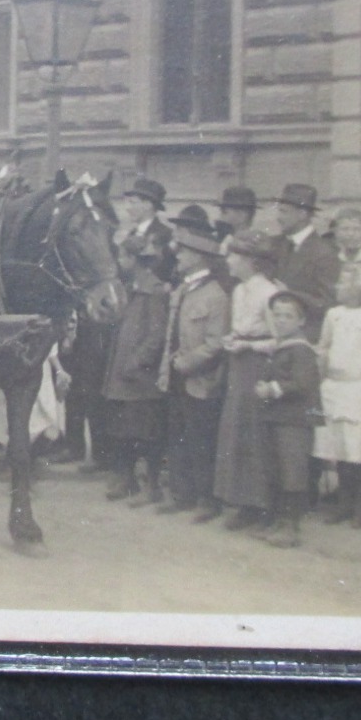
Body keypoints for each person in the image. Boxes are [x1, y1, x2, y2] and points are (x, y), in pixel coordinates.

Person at [158, 218, 230, 520]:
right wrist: (167, 367)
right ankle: (181, 493)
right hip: (176, 375)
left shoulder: (215, 295)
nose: (179, 256)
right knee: (177, 436)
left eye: (184, 252)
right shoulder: (183, 289)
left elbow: (216, 343)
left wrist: (186, 363)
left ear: (199, 257)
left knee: (202, 440)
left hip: (201, 379)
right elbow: (171, 334)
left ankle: (206, 500)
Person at [211, 230, 284, 531]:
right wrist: (232, 339)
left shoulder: (269, 293)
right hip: (239, 367)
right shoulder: (238, 291)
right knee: (237, 432)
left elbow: (280, 341)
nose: (228, 261)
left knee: (257, 434)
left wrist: (249, 346)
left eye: (233, 256)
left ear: (250, 261)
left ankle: (265, 505)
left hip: (260, 368)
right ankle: (243, 503)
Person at [99, 233, 171, 506]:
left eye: (123, 256)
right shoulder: (129, 287)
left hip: (138, 376)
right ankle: (126, 480)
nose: (119, 261)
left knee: (144, 433)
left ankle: (151, 486)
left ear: (134, 260)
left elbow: (156, 334)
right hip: (122, 373)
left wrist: (136, 361)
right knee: (122, 430)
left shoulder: (152, 291)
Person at [313, 263, 361, 527]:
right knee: (340, 446)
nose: (339, 288)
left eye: (346, 283)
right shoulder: (333, 315)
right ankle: (343, 502)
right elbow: (324, 345)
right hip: (336, 386)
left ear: (360, 289)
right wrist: (322, 364)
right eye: (340, 283)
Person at [251, 291, 323, 549]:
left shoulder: (301, 349)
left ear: (301, 321)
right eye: (277, 315)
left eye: (288, 316)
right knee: (276, 468)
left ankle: (290, 525)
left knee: (292, 470)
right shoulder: (281, 346)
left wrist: (272, 389)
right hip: (277, 416)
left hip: (295, 419)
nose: (281, 320)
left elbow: (303, 383)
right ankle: (276, 520)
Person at [270, 183, 340, 341]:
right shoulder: (280, 244)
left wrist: (291, 294)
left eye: (284, 212)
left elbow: (328, 303)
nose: (278, 218)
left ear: (302, 214)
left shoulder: (324, 253)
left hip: (307, 339)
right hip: (280, 337)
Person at [118, 176, 175, 281]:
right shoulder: (132, 234)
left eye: (133, 202)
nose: (128, 208)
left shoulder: (166, 235)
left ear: (148, 205)